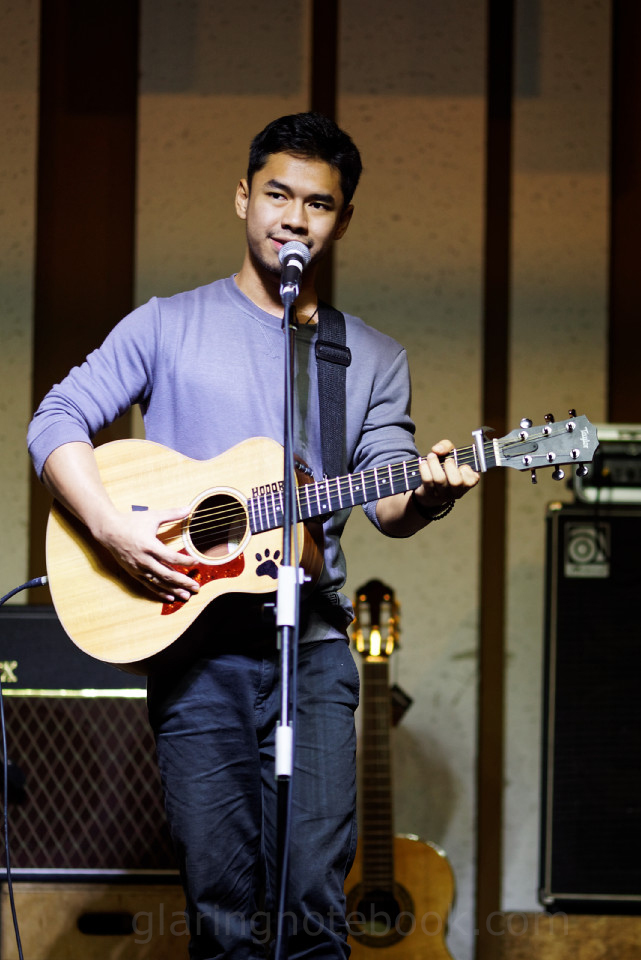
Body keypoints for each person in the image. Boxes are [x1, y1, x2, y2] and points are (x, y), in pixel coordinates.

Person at [27, 112, 479, 960]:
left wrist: (431, 495)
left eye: (318, 204)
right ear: (242, 197)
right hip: (195, 647)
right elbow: (56, 421)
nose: (293, 218)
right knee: (221, 910)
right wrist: (111, 532)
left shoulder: (369, 356)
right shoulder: (165, 324)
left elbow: (388, 505)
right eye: (277, 194)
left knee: (312, 903)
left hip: (313, 652)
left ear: (342, 220)